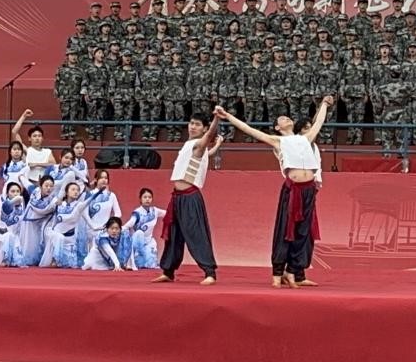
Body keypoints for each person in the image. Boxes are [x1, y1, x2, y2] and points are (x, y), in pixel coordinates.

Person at [215, 96, 332, 289]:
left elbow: (319, 121)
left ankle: (293, 271)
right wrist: (227, 116)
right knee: (285, 231)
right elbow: (249, 129)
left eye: (288, 117)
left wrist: (325, 105)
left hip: (309, 190)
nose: (287, 118)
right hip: (293, 189)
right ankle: (277, 272)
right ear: (277, 127)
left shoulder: (305, 138)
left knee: (303, 232)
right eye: (282, 119)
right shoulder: (278, 141)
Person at [152, 115, 224, 286]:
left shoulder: (199, 143)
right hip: (177, 197)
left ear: (204, 128)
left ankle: (210, 272)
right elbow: (206, 154)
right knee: (174, 235)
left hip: (190, 197)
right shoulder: (190, 145)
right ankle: (168, 271)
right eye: (191, 123)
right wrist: (218, 146)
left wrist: (216, 118)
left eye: (197, 124)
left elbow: (208, 137)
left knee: (196, 234)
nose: (192, 127)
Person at [39, 181, 92, 268]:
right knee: (59, 237)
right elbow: (51, 217)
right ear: (66, 192)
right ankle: (54, 259)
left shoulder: (79, 205)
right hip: (56, 234)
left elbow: (88, 220)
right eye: (73, 189)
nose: (76, 192)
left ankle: (57, 259)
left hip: (69, 238)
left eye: (78, 190)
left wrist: (96, 227)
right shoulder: (59, 204)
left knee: (69, 264)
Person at [0, 181, 27, 267]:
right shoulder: (5, 204)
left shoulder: (20, 205)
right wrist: (18, 199)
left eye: (18, 191)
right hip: (5, 233)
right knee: (8, 236)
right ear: (7, 193)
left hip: (15, 234)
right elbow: (12, 203)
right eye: (12, 191)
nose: (15, 193)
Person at [127, 188, 167, 269]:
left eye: (149, 197)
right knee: (139, 233)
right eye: (145, 197)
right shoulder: (137, 212)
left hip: (149, 241)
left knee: (150, 265)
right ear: (140, 199)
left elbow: (167, 213)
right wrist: (122, 227)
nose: (147, 199)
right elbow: (130, 223)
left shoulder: (155, 211)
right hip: (137, 241)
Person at [10, 109, 53, 185]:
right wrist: (24, 116)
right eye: (34, 136)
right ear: (29, 138)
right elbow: (14, 132)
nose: (37, 138)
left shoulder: (47, 151)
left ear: (42, 138)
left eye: (39, 136)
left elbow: (53, 164)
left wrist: (36, 164)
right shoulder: (27, 150)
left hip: (44, 184)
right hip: (29, 183)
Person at [82, 169, 121, 252]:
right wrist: (93, 226)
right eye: (101, 178)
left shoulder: (111, 195)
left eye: (106, 178)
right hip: (92, 230)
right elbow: (84, 213)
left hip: (106, 230)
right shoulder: (90, 194)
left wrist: (110, 225)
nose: (104, 180)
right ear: (96, 179)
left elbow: (118, 213)